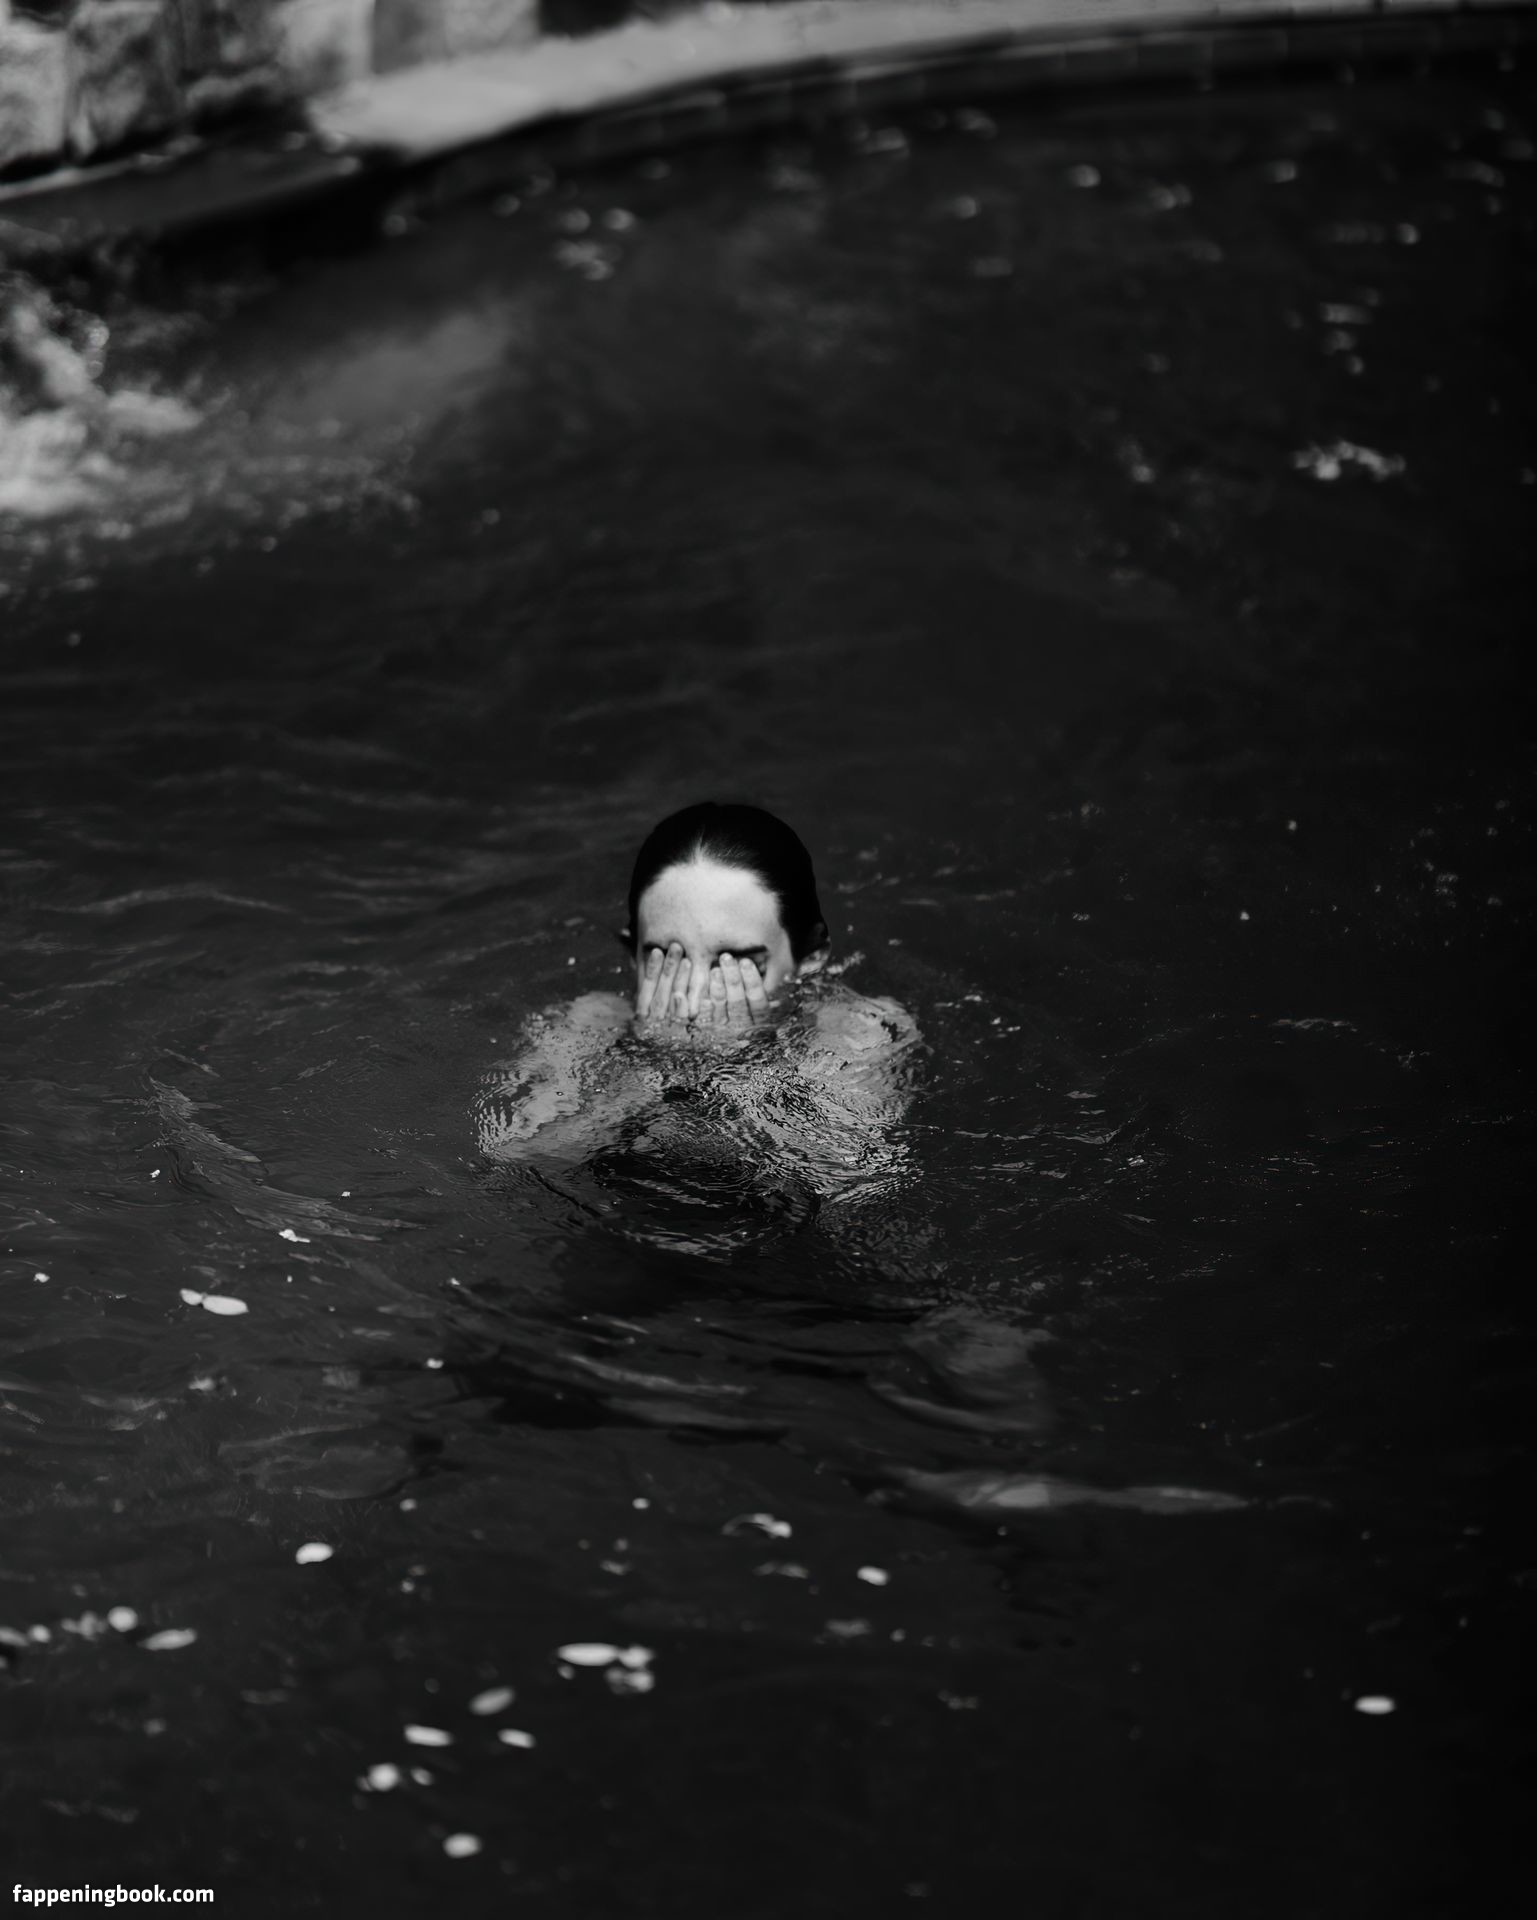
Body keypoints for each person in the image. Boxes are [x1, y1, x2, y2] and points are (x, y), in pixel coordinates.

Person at [474, 803, 922, 1224]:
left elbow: (847, 1194)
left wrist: (739, 1067)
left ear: (811, 953)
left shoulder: (861, 1030)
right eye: (667, 959)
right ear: (633, 955)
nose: (697, 995)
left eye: (738, 964)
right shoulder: (589, 1022)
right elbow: (510, 1173)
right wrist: (649, 1072)